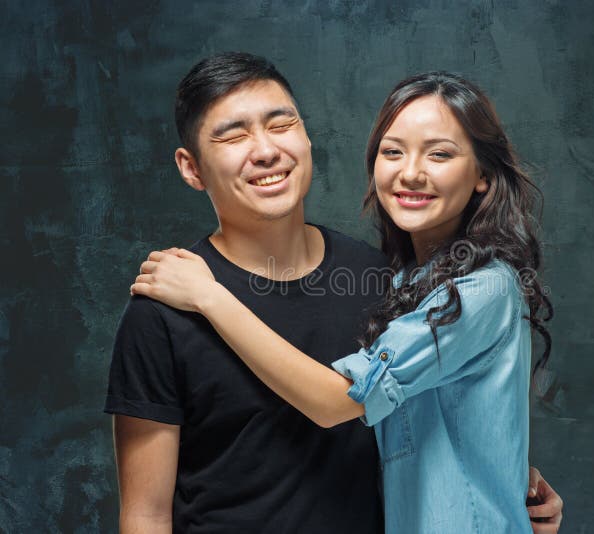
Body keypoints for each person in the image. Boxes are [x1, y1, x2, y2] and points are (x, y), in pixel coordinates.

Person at [128, 64, 561, 533]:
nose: (411, 172)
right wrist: (509, 477)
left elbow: (340, 401)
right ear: (191, 167)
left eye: (440, 154)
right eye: (393, 151)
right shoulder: (401, 283)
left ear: (483, 173)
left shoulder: (468, 288)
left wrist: (211, 297)